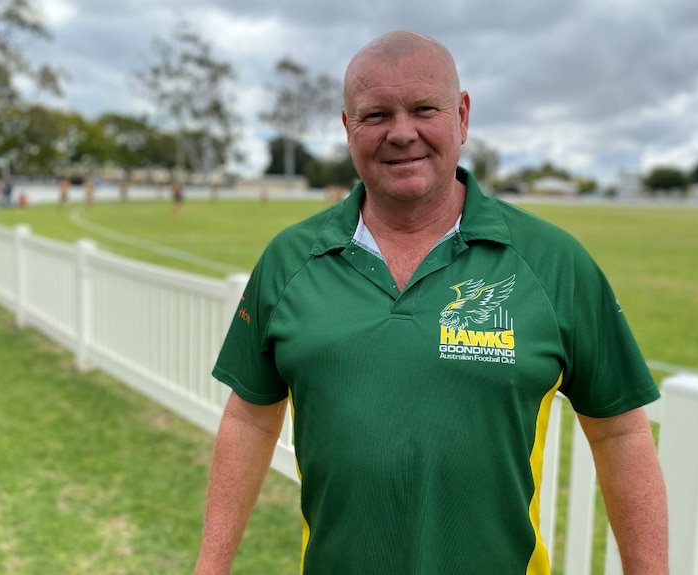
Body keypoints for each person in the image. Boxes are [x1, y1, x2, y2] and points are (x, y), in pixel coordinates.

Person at [196, 31, 668, 575]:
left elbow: (619, 429)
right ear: (347, 128)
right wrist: (211, 567)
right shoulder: (290, 260)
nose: (402, 133)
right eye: (375, 115)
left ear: (462, 117)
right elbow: (250, 420)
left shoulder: (553, 262)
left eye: (424, 108)